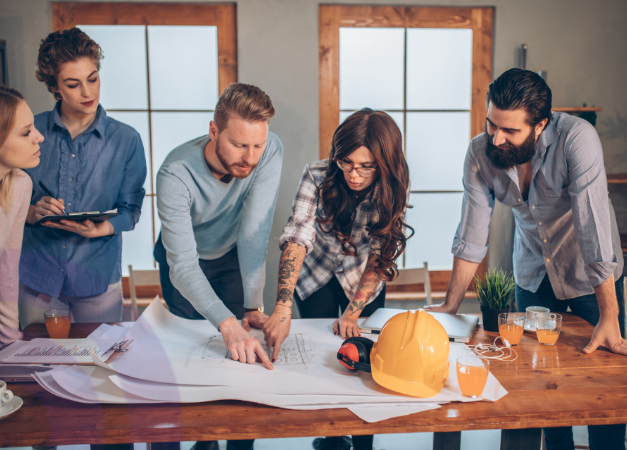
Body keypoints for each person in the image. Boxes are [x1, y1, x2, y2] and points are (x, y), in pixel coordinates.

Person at [426, 68, 626, 450]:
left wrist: (610, 317)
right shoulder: (479, 153)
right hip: (533, 277)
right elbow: (471, 235)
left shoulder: (576, 139)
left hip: (591, 281)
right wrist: (450, 306)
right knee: (542, 389)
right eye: (491, 125)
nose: (496, 138)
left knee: (602, 387)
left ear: (540, 125)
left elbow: (593, 229)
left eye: (510, 131)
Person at [262, 108, 412, 450]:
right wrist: (282, 307)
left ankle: (364, 440)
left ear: (384, 163)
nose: (354, 175)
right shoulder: (316, 175)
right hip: (314, 273)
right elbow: (298, 235)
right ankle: (331, 436)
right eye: (346, 163)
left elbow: (381, 252)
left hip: (363, 276)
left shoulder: (394, 185)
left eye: (365, 166)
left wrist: (353, 313)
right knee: (323, 355)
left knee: (366, 356)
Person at [153, 83, 282, 450]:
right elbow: (183, 266)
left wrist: (252, 306)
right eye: (239, 145)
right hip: (183, 259)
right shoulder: (175, 174)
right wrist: (225, 323)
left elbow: (255, 232)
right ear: (214, 131)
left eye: (257, 145)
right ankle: (202, 438)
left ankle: (240, 443)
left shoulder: (269, 150)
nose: (251, 157)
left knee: (241, 352)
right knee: (191, 353)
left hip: (231, 255)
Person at [19, 28, 147, 327]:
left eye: (93, 79)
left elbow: (132, 212)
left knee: (98, 367)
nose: (88, 92)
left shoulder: (126, 139)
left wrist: (100, 229)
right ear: (55, 87)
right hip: (37, 277)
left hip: (97, 277)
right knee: (38, 367)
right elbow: (5, 199)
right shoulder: (29, 130)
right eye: (73, 84)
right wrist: (29, 212)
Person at [0, 87, 44, 345]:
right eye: (26, 132)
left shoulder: (19, 184)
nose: (39, 137)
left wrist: (10, 343)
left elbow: (6, 267)